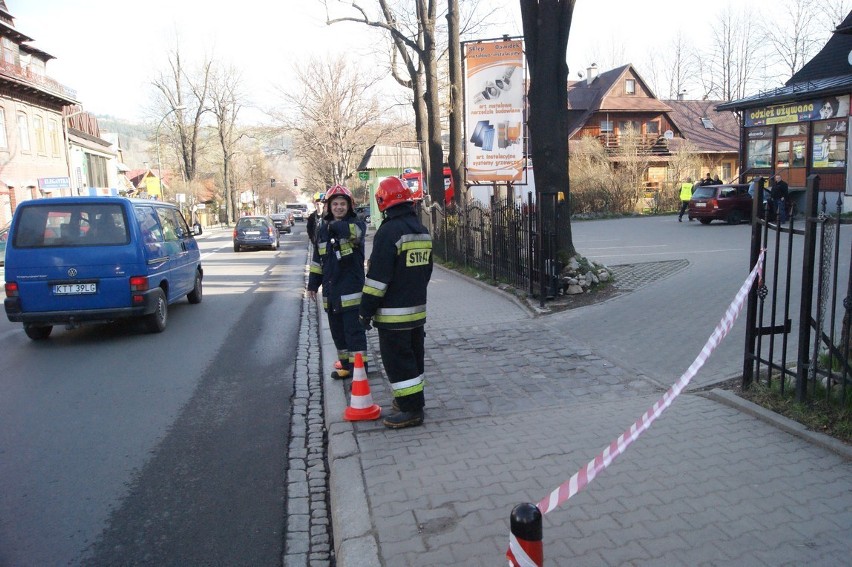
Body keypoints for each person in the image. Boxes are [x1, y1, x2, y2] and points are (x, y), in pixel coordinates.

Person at [359, 176, 433, 429]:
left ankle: (411, 411)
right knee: (414, 358)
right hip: (417, 310)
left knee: (398, 362)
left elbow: (378, 279)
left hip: (393, 315)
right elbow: (427, 272)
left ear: (382, 202)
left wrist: (365, 311)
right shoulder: (421, 230)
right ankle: (412, 402)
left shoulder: (388, 232)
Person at [307, 185, 369, 379]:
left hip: (351, 293)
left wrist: (332, 225)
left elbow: (354, 234)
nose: (339, 207)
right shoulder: (322, 230)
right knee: (338, 334)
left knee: (354, 334)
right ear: (329, 206)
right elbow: (318, 261)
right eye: (335, 204)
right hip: (331, 293)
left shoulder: (356, 224)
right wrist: (312, 285)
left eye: (343, 204)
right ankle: (345, 366)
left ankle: (359, 370)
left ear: (349, 206)